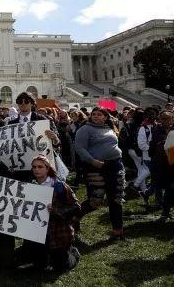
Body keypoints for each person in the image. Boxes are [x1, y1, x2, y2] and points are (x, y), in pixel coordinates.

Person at [21, 154, 81, 272]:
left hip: (58, 232)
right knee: (38, 266)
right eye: (34, 167)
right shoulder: (30, 186)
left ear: (47, 169)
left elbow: (76, 207)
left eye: (40, 167)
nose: (37, 170)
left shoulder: (59, 185)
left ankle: (73, 253)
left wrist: (56, 211)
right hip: (37, 233)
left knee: (61, 267)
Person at [74, 107, 126, 240]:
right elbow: (79, 148)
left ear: (106, 117)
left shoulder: (110, 128)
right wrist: (92, 161)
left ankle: (118, 231)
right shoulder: (85, 129)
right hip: (95, 167)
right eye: (93, 114)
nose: (96, 116)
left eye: (99, 114)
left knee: (116, 199)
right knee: (96, 200)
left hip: (115, 165)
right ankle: (74, 217)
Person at [148, 110, 174, 219]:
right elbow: (153, 146)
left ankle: (166, 209)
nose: (165, 121)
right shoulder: (156, 130)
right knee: (167, 187)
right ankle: (164, 209)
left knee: (171, 188)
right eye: (163, 119)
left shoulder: (173, 131)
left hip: (172, 165)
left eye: (168, 119)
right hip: (161, 164)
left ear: (172, 119)